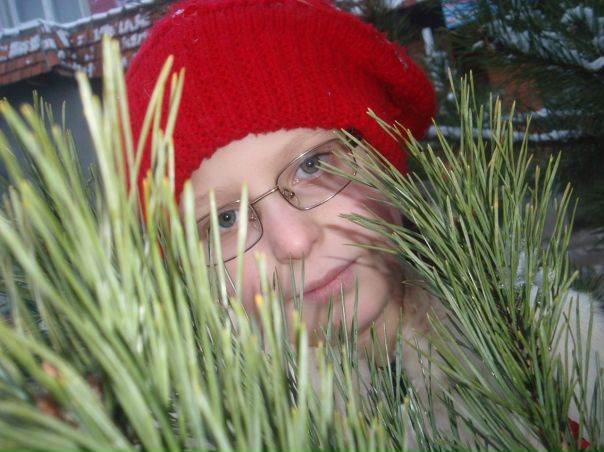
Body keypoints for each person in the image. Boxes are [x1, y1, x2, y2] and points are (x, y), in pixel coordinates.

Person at [125, 0, 602, 448]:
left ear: (383, 160)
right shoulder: (226, 434)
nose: (293, 241)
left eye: (312, 165)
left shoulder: (561, 353)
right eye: (225, 219)